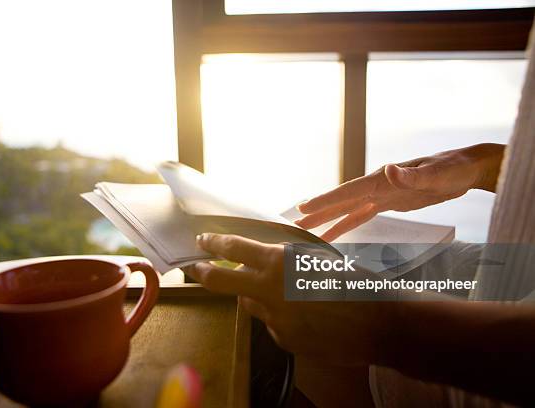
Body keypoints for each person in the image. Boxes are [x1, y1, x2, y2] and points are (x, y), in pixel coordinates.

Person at [184, 23, 535, 408]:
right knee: (282, 291)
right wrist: (484, 163)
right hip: (518, 272)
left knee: (286, 312)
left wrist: (384, 325)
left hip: (507, 362)